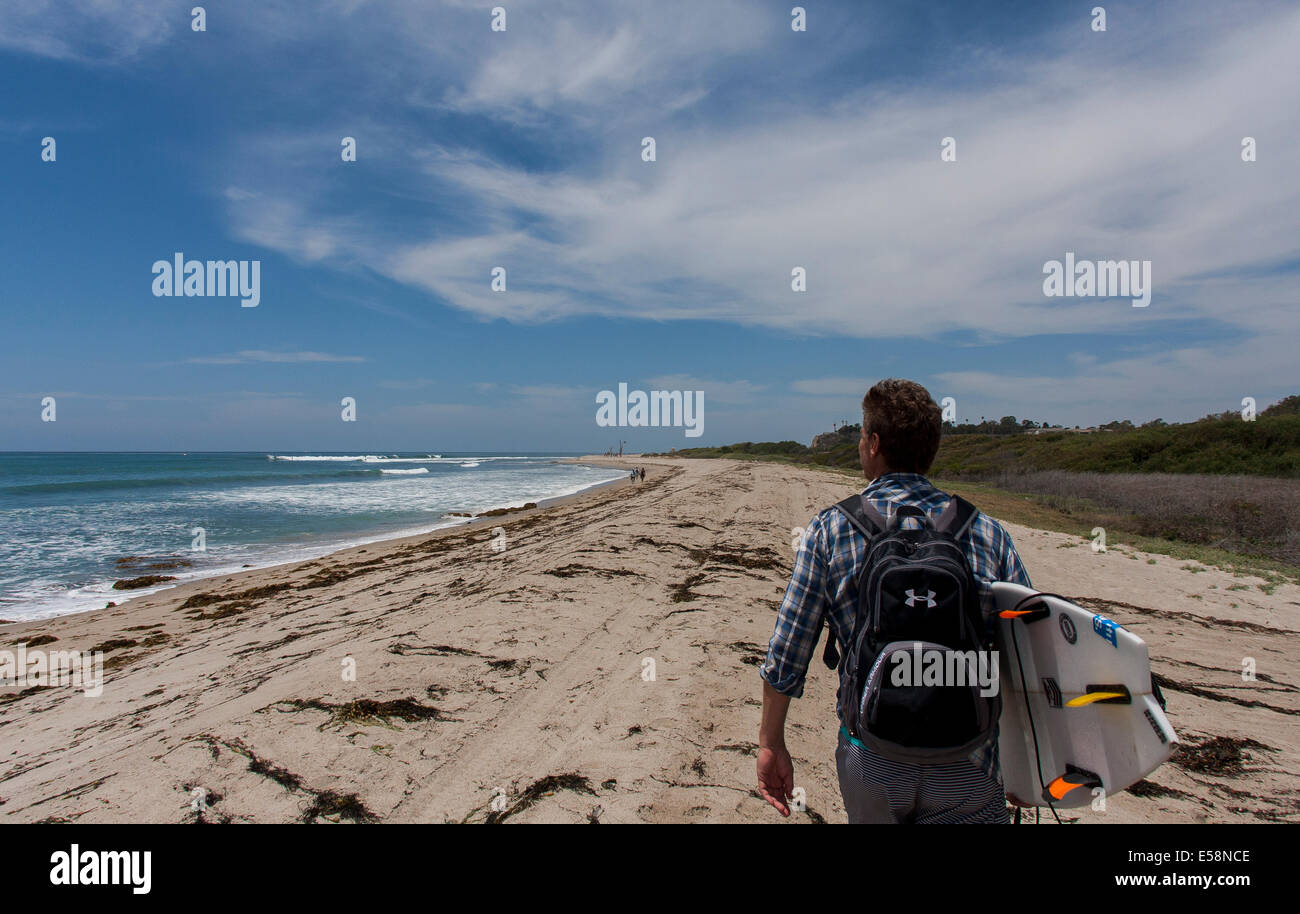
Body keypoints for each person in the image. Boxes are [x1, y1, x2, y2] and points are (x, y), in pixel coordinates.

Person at [757, 378, 1032, 824]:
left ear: (874, 443)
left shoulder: (830, 529)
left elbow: (787, 654)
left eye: (863, 435)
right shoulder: (987, 533)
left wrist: (771, 743)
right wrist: (1026, 762)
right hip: (971, 756)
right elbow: (1026, 653)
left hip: (872, 756)